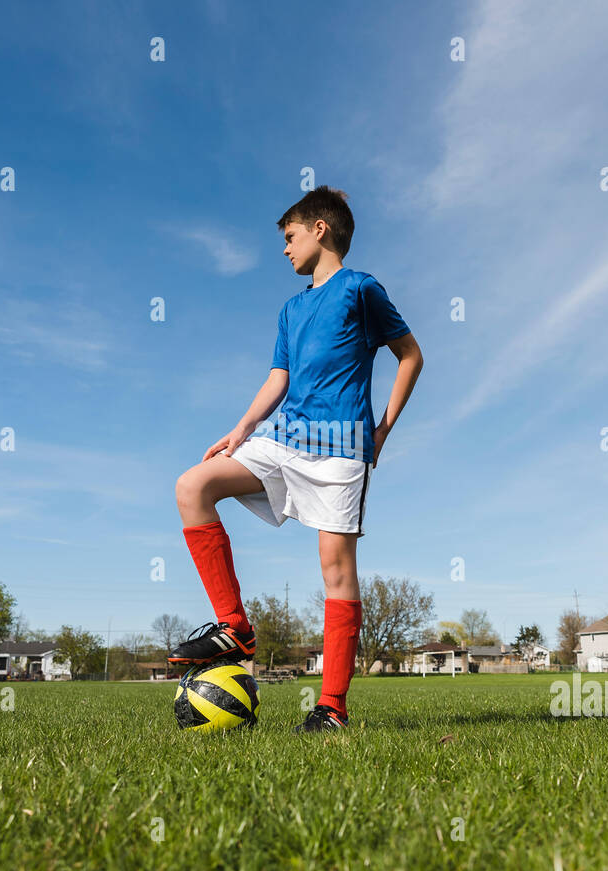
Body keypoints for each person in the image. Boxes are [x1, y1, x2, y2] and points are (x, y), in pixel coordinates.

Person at [172, 186, 423, 732]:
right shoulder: (291, 309)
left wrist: (382, 430)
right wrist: (240, 430)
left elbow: (411, 355)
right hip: (282, 439)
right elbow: (278, 379)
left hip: (339, 449)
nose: (284, 250)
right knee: (193, 486)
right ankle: (235, 627)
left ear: (320, 230)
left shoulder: (361, 289)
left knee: (335, 571)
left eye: (289, 237)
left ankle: (331, 707)